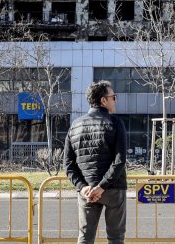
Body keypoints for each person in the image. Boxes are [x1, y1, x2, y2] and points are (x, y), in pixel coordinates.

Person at [63, 80, 127, 244]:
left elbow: (68, 165)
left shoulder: (75, 126)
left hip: (87, 191)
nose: (115, 100)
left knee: (85, 238)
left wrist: (82, 187)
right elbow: (119, 160)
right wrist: (103, 186)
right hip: (113, 189)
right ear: (103, 100)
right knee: (116, 238)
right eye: (113, 96)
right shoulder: (115, 123)